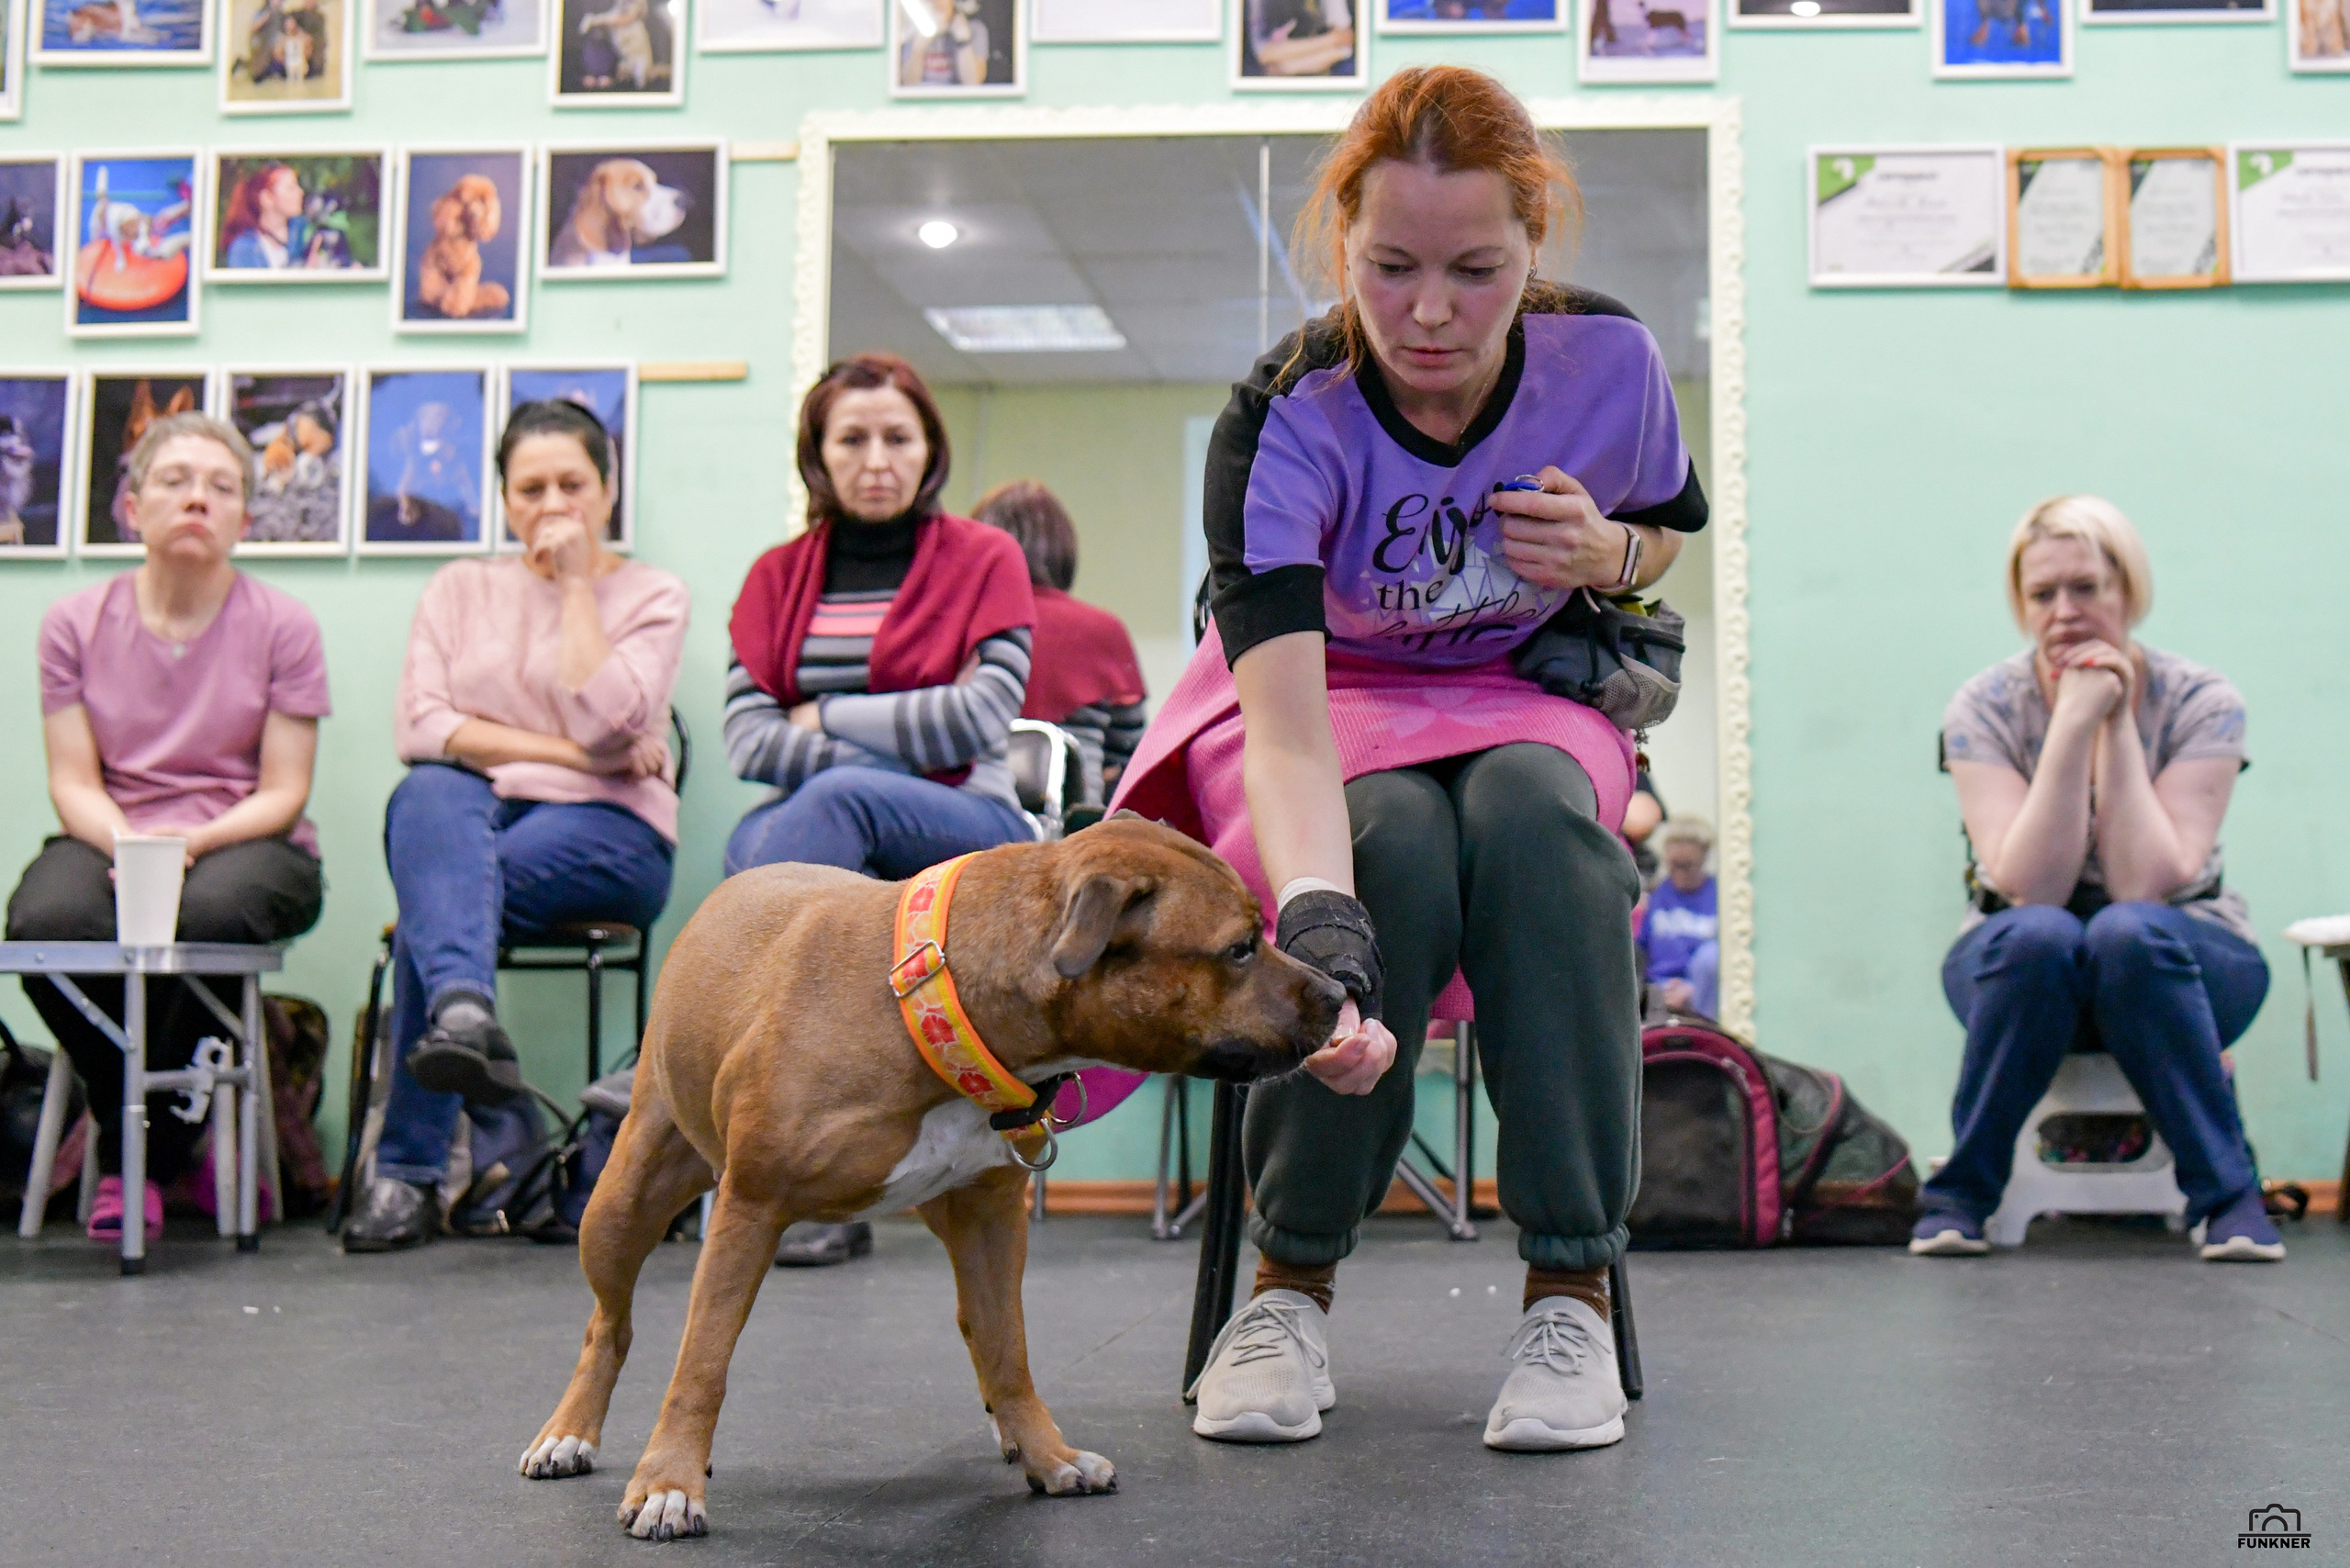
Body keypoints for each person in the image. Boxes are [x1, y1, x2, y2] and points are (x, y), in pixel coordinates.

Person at [1113, 67, 1707, 1452]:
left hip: (1525, 692)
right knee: (1389, 847)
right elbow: (1288, 730)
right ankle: (1288, 1289)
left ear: (1534, 254)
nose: (1430, 312)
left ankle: (1569, 1285)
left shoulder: (1606, 363)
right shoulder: (1282, 417)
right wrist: (1319, 917)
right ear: (1342, 251)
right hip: (1330, 707)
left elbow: (1663, 531)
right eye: (1390, 269)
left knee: (1546, 829)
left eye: (1476, 270)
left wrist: (1608, 553)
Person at [343, 399, 687, 1253]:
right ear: (503, 500)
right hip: (477, 813)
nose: (551, 505)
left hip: (610, 833)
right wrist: (580, 754)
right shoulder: (460, 588)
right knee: (427, 795)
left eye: (572, 485)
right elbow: (422, 727)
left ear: (607, 494)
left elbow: (612, 718)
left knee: (444, 900)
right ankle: (465, 1012)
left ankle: (407, 1175)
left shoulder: (650, 594)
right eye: (530, 488)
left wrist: (576, 586)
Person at [722, 352, 1035, 1266]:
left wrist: (823, 718)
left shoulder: (987, 558)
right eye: (850, 439)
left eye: (897, 437)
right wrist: (884, 742)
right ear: (817, 457)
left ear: (928, 449)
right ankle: (813, 1178)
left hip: (970, 824)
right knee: (768, 838)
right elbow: (746, 741)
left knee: (817, 816)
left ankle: (706, 1047)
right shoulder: (776, 576)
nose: (875, 458)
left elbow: (980, 716)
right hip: (817, 821)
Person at [1916, 495, 2280, 1262]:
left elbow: (2144, 882)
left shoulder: (2204, 701)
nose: (2066, 612)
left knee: (2126, 930)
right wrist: (2072, 722)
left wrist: (2114, 723)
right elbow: (2032, 888)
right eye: (2043, 594)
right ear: (2021, 602)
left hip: (2185, 959)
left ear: (2129, 592)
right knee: (2043, 933)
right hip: (2021, 966)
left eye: (2088, 588)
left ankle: (2229, 1198)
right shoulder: (1983, 707)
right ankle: (1959, 1198)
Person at [5, 413, 329, 1245]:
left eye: (222, 488)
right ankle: (172, 1147)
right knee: (45, 927)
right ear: (131, 503)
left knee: (209, 916)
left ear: (245, 522)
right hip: (112, 828)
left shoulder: (285, 627)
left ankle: (133, 1158)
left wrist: (186, 851)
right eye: (176, 480)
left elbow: (284, 791)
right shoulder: (73, 624)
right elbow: (72, 780)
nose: (197, 499)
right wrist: (132, 850)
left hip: (246, 840)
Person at [972, 479, 1148, 809]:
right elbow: (1129, 756)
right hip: (1072, 833)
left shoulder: (959, 626)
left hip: (967, 819)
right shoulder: (1104, 630)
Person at [1639, 816, 1717, 1018]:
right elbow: (1640, 950)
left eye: (1687, 866)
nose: (1679, 874)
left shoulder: (1718, 896)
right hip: (1659, 990)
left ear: (1703, 857)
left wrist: (1691, 988)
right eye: (1675, 866)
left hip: (1702, 992)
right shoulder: (1657, 895)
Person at [218, 165, 323, 272]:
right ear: (267, 198)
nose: (300, 192)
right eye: (291, 188)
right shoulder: (244, 249)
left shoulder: (306, 231)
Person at [898, 0, 989, 86]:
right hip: (923, 99)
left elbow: (973, 83)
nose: (936, 3)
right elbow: (909, 84)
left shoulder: (974, 29)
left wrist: (963, 41)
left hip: (957, 100)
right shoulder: (911, 31)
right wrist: (918, 47)